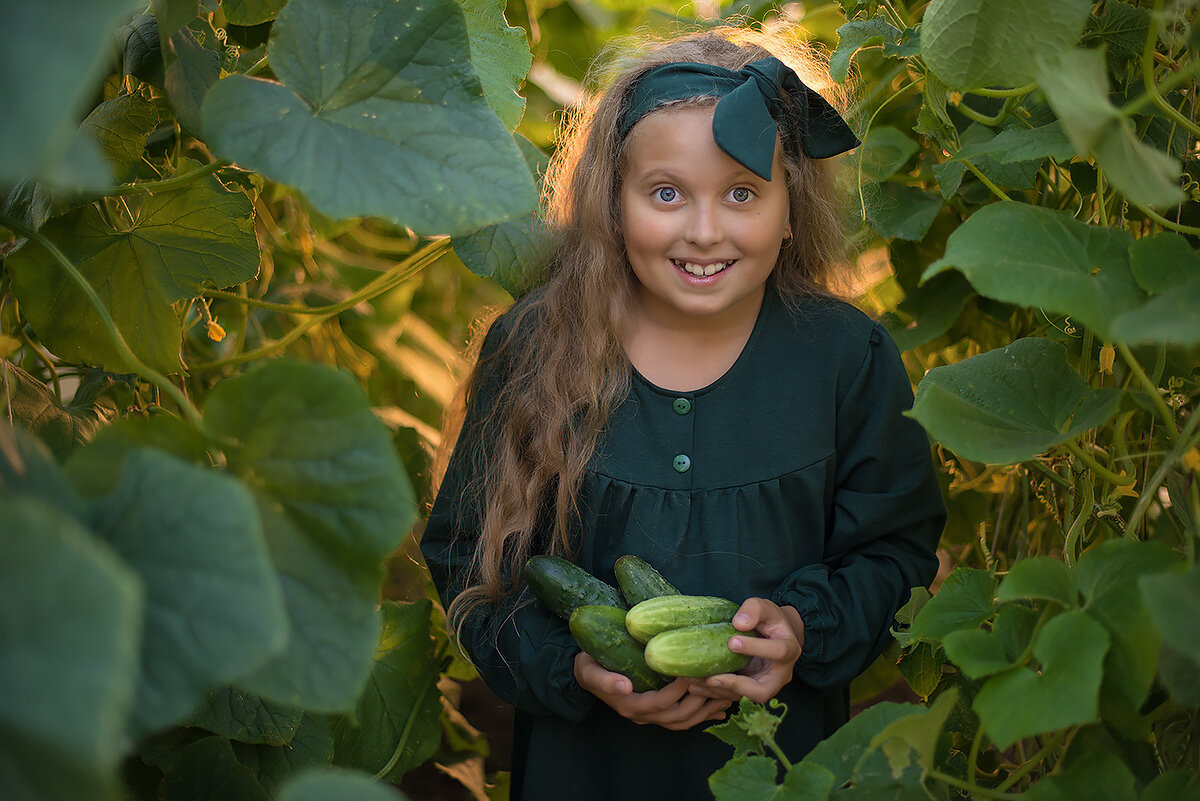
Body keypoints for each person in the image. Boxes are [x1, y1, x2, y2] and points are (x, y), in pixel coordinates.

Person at [420, 26, 945, 801]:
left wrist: (804, 628)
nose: (705, 230)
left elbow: (896, 552)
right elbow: (470, 559)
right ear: (613, 203)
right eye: (666, 192)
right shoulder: (534, 347)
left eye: (742, 192)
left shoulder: (846, 357)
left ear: (790, 207)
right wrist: (573, 666)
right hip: (587, 771)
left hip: (780, 765)